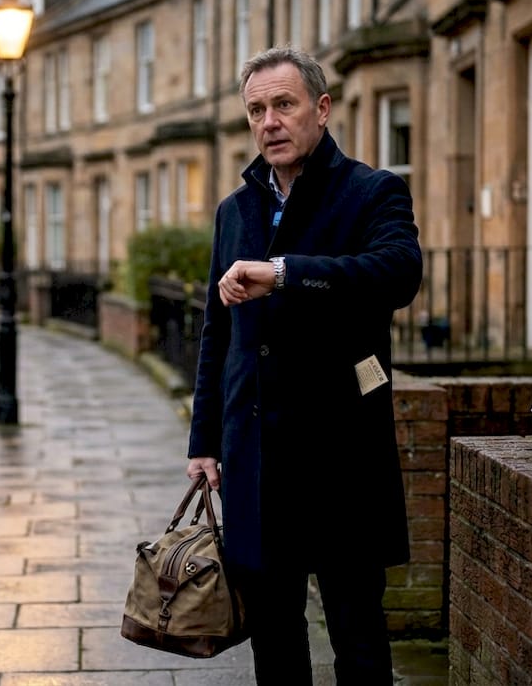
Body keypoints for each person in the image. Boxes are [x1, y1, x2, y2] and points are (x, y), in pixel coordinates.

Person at [186, 46, 422, 685]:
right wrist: (204, 439)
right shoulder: (235, 212)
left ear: (320, 109)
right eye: (256, 110)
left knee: (358, 641)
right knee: (276, 647)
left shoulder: (371, 191)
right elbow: (217, 333)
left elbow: (398, 274)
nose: (269, 122)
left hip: (342, 452)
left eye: (284, 105)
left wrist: (286, 274)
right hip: (257, 457)